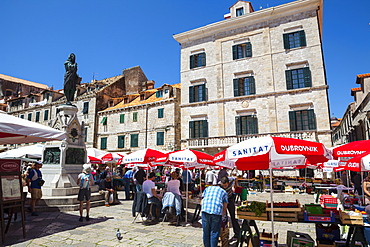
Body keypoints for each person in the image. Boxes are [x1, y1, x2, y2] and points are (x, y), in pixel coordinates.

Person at [201, 179, 228, 247]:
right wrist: (223, 215)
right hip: (216, 212)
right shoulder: (224, 192)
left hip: (205, 210)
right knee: (214, 232)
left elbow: (201, 202)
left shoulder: (208, 188)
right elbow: (225, 207)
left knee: (206, 232)